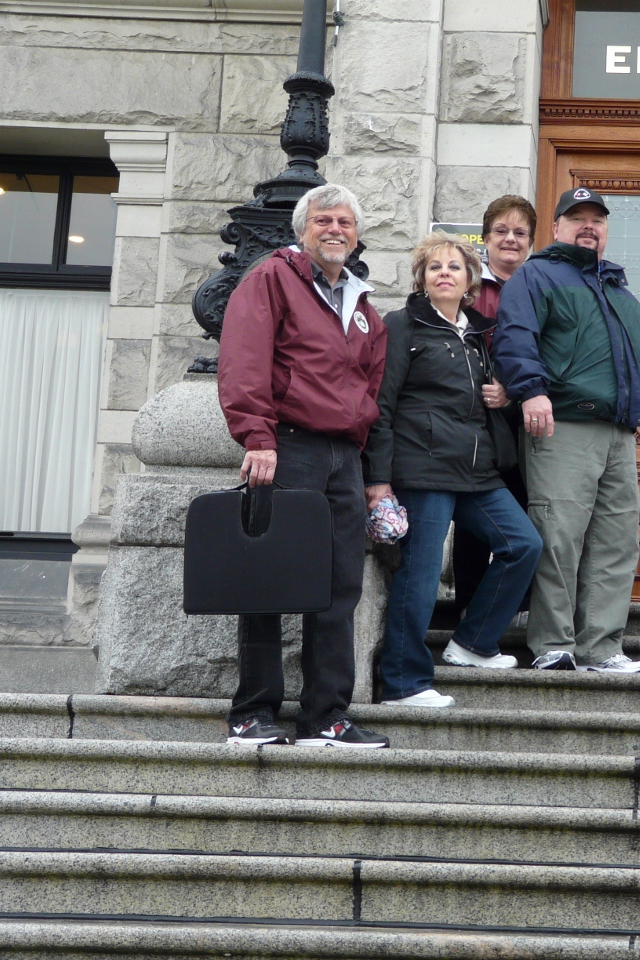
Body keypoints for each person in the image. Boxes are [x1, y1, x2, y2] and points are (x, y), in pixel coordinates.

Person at [216, 182, 390, 748]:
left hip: (344, 458)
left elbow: (372, 391)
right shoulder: (272, 278)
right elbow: (244, 360)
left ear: (357, 234)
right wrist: (257, 438)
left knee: (340, 587)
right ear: (303, 229)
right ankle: (253, 712)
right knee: (269, 580)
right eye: (324, 220)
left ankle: (325, 716)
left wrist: (369, 474)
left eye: (345, 221)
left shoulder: (363, 308)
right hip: (286, 448)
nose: (335, 229)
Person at [495, 186, 640, 672]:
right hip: (561, 425)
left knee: (617, 542)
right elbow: (515, 339)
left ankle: (603, 647)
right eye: (576, 217)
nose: (588, 225)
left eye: (596, 218)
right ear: (556, 229)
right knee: (558, 536)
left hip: (619, 434)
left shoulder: (622, 294)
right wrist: (531, 390)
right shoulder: (534, 275)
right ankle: (554, 644)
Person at [363, 232, 542, 708]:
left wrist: (503, 395)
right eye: (434, 266)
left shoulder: (480, 334)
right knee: (419, 577)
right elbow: (381, 405)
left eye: (455, 267)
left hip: (477, 471)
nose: (444, 272)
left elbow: (492, 396)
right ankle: (403, 682)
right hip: (422, 470)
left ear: (469, 281)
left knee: (523, 544)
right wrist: (378, 482)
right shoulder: (402, 326)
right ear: (422, 278)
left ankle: (473, 642)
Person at [452, 196, 539, 619]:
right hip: (476, 415)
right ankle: (468, 601)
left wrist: (517, 390)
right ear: (485, 239)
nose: (510, 239)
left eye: (520, 233)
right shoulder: (468, 286)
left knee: (525, 505)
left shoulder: (540, 286)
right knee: (477, 512)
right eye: (501, 231)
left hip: (528, 416)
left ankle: (519, 603)